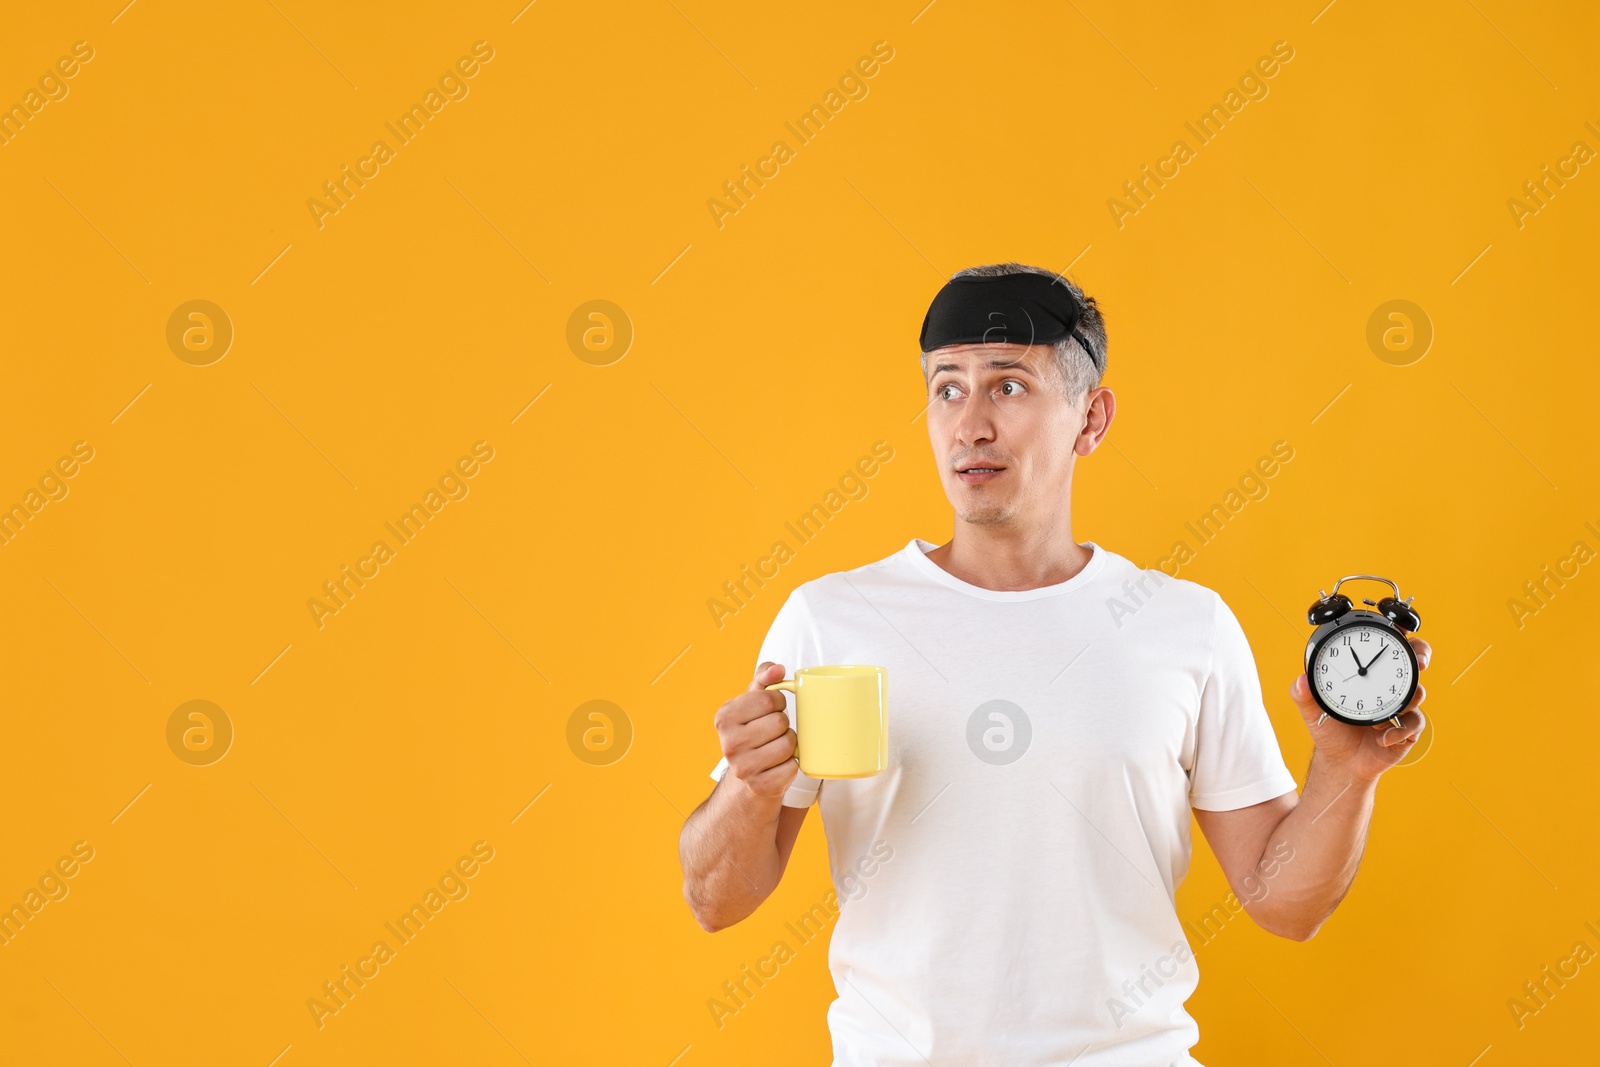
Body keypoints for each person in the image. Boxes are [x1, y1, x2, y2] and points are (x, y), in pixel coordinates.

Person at [676, 262, 1429, 1066]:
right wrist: (751, 792)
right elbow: (715, 899)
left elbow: (1284, 903)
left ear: (1090, 419)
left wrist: (1346, 774)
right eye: (946, 388)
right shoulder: (832, 620)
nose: (970, 425)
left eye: (1008, 387)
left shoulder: (1184, 624)